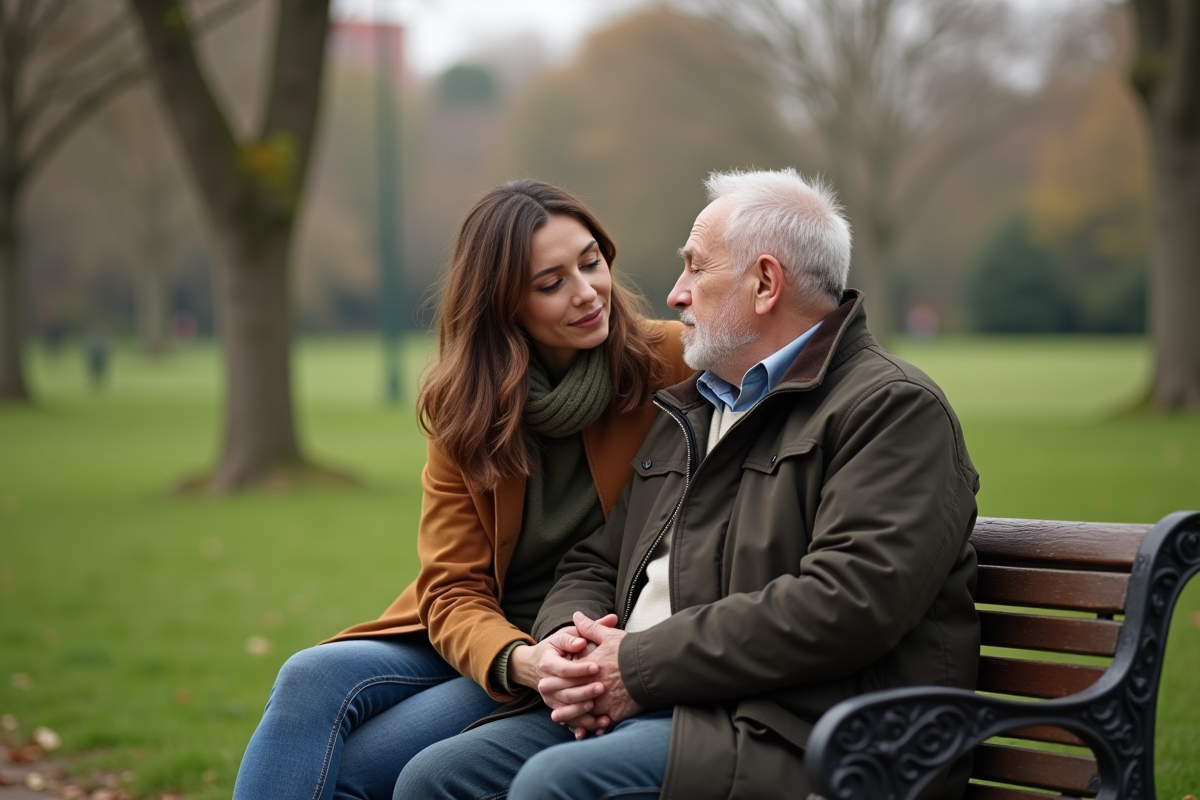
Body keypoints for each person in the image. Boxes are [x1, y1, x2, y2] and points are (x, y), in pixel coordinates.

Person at [394, 168, 980, 800]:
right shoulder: (697, 406)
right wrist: (570, 646)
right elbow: (598, 557)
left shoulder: (891, 409)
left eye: (696, 269)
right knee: (435, 779)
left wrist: (635, 666)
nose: (674, 295)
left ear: (764, 284)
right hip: (668, 700)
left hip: (802, 729)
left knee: (554, 784)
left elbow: (847, 604)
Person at [231, 180, 692, 800]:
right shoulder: (468, 406)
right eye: (551, 283)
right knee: (309, 676)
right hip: (487, 639)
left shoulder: (671, 360)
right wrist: (523, 661)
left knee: (354, 774)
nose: (587, 293)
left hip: (587, 634)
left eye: (591, 262)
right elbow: (450, 588)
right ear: (505, 305)